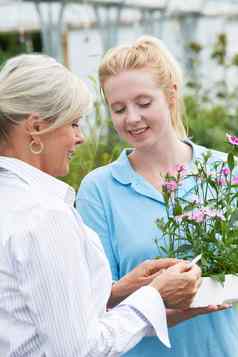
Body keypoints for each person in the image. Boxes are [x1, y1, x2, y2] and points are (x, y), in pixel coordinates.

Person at [0, 54, 203, 357]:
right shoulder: (44, 216)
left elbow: (30, 309)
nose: (80, 138)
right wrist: (153, 297)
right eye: (74, 123)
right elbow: (79, 349)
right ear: (37, 128)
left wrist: (117, 292)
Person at [76, 36, 238, 357]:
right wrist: (160, 306)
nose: (132, 118)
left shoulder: (224, 172)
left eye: (144, 103)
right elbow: (93, 301)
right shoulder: (98, 190)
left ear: (171, 94)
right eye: (118, 108)